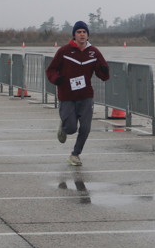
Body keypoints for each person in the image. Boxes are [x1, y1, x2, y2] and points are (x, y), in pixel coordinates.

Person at [45, 21, 110, 166]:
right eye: (79, 32)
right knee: (71, 128)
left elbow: (103, 75)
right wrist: (56, 79)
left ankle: (75, 154)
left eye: (84, 32)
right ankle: (64, 127)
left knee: (85, 128)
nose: (82, 34)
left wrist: (105, 71)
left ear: (88, 35)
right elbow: (51, 70)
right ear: (74, 35)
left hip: (86, 95)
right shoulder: (64, 51)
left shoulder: (94, 52)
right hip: (67, 95)